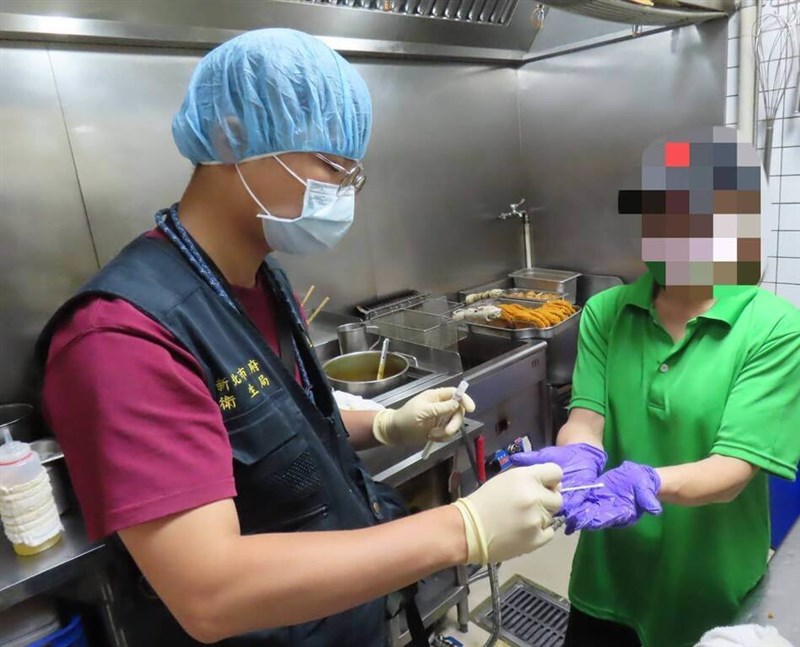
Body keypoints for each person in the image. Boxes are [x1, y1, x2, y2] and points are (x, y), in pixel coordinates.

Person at [36, 28, 564, 647]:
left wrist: (388, 425)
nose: (343, 192)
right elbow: (210, 592)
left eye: (352, 174)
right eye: (333, 166)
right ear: (233, 135)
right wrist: (461, 528)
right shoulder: (121, 336)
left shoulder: (258, 280)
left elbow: (267, 422)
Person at [511, 127, 800, 647]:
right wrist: (577, 459)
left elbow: (733, 470)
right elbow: (586, 418)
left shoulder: (773, 326)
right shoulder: (608, 312)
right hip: (609, 579)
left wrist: (640, 483)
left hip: (710, 587)